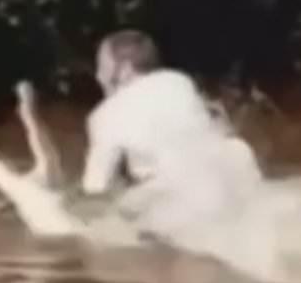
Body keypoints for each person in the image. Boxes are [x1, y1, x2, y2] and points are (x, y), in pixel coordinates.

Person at [79, 29, 263, 243]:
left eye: (102, 68)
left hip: (180, 195)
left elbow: (95, 189)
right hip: (237, 169)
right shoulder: (180, 81)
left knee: (108, 218)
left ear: (125, 69)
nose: (98, 76)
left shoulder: (104, 116)